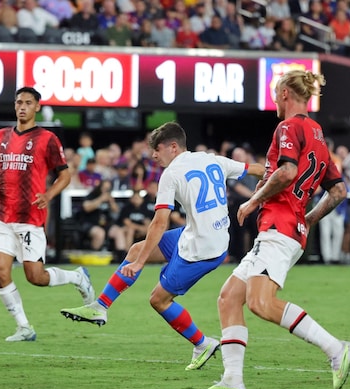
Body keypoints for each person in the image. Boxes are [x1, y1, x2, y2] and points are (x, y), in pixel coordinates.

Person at [196, 70, 350, 389]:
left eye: (275, 94)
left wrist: (254, 199)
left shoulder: (288, 127)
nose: (274, 102)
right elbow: (338, 191)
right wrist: (307, 218)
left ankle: (336, 348)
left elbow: (287, 172)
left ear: (284, 94)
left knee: (261, 303)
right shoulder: (318, 135)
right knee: (228, 298)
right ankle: (232, 379)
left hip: (278, 227)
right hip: (286, 228)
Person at [60, 122, 265, 370]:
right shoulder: (211, 159)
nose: (153, 155)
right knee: (136, 248)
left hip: (202, 250)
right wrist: (281, 178)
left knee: (158, 299)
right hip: (206, 235)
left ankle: (203, 344)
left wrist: (139, 264)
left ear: (174, 147)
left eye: (157, 149)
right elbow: (254, 168)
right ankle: (100, 307)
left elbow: (159, 222)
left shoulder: (171, 174)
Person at [0, 86, 95, 342]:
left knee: (35, 277)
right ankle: (24, 327)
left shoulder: (47, 139)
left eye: (28, 102)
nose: (22, 107)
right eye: (18, 102)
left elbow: (65, 174)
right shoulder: (0, 137)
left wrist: (48, 196)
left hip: (31, 218)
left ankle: (77, 277)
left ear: (37, 107)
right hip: (2, 216)